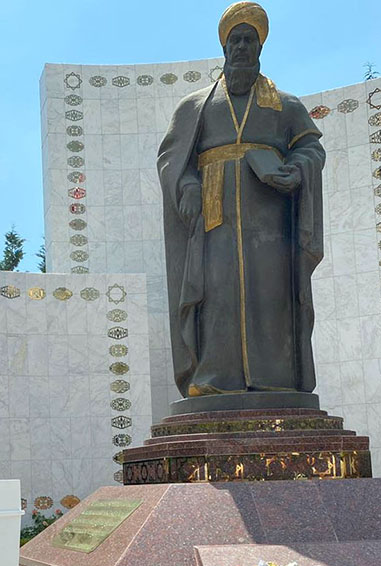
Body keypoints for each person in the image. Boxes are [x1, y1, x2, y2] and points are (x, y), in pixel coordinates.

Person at [158, 1, 325, 398]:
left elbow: (311, 148)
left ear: (260, 48)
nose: (243, 47)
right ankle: (214, 378)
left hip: (269, 217)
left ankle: (276, 377)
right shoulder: (196, 105)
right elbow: (172, 158)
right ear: (225, 48)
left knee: (270, 295)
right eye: (236, 40)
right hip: (214, 219)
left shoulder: (285, 104)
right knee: (217, 294)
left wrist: (296, 169)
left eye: (250, 40)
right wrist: (188, 187)